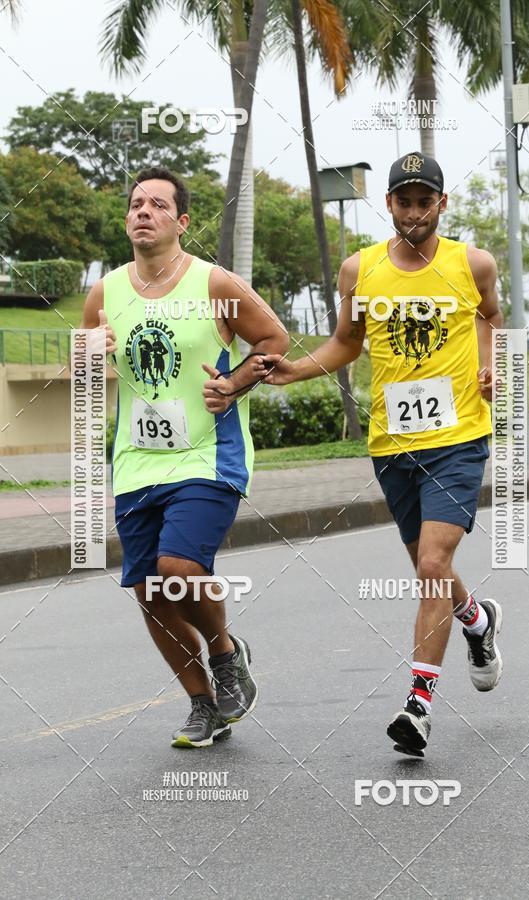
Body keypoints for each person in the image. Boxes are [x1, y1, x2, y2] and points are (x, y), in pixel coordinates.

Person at [257, 152, 503, 757]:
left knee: (431, 564)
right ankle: (476, 620)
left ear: (441, 205)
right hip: (392, 443)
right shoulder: (358, 270)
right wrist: (294, 373)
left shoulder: (472, 263)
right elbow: (346, 342)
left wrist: (491, 361)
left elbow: (492, 318)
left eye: (426, 201)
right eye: (404, 201)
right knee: (431, 565)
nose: (414, 212)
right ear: (388, 204)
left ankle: (417, 705)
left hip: (458, 438)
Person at [82, 166, 288, 748]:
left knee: (177, 572)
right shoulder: (105, 292)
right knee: (150, 592)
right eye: (135, 204)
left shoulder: (216, 284)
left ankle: (225, 654)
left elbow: (273, 342)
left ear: (182, 221)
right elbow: (86, 373)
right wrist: (87, 354)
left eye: (157, 205)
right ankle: (203, 705)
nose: (143, 212)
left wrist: (236, 382)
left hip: (207, 456)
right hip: (136, 461)